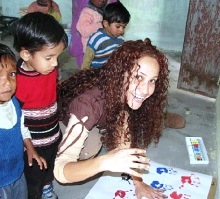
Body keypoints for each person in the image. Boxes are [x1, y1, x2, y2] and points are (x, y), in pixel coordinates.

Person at [54, 38, 169, 199]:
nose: (145, 89)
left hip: (96, 111)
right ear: (121, 72)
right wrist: (104, 162)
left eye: (152, 80)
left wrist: (138, 182)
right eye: (139, 77)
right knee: (90, 149)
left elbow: (123, 137)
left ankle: (166, 118)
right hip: (60, 118)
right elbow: (60, 171)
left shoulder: (120, 89)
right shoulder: (89, 104)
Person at [12, 12, 68, 199]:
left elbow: (50, 95)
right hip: (33, 145)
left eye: (57, 57)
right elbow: (14, 116)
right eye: (49, 57)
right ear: (26, 54)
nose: (56, 63)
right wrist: (26, 146)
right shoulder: (16, 82)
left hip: (52, 133)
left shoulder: (47, 68)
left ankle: (46, 187)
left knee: (50, 167)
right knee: (33, 179)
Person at [0, 43, 47, 199]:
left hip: (17, 172)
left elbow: (21, 126)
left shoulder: (14, 102)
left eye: (11, 74)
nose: (7, 82)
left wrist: (30, 148)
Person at [81, 1, 130, 70]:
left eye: (124, 27)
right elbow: (87, 60)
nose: (121, 30)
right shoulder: (96, 38)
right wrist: (84, 74)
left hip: (111, 71)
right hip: (96, 73)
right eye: (118, 26)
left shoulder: (120, 38)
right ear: (106, 24)